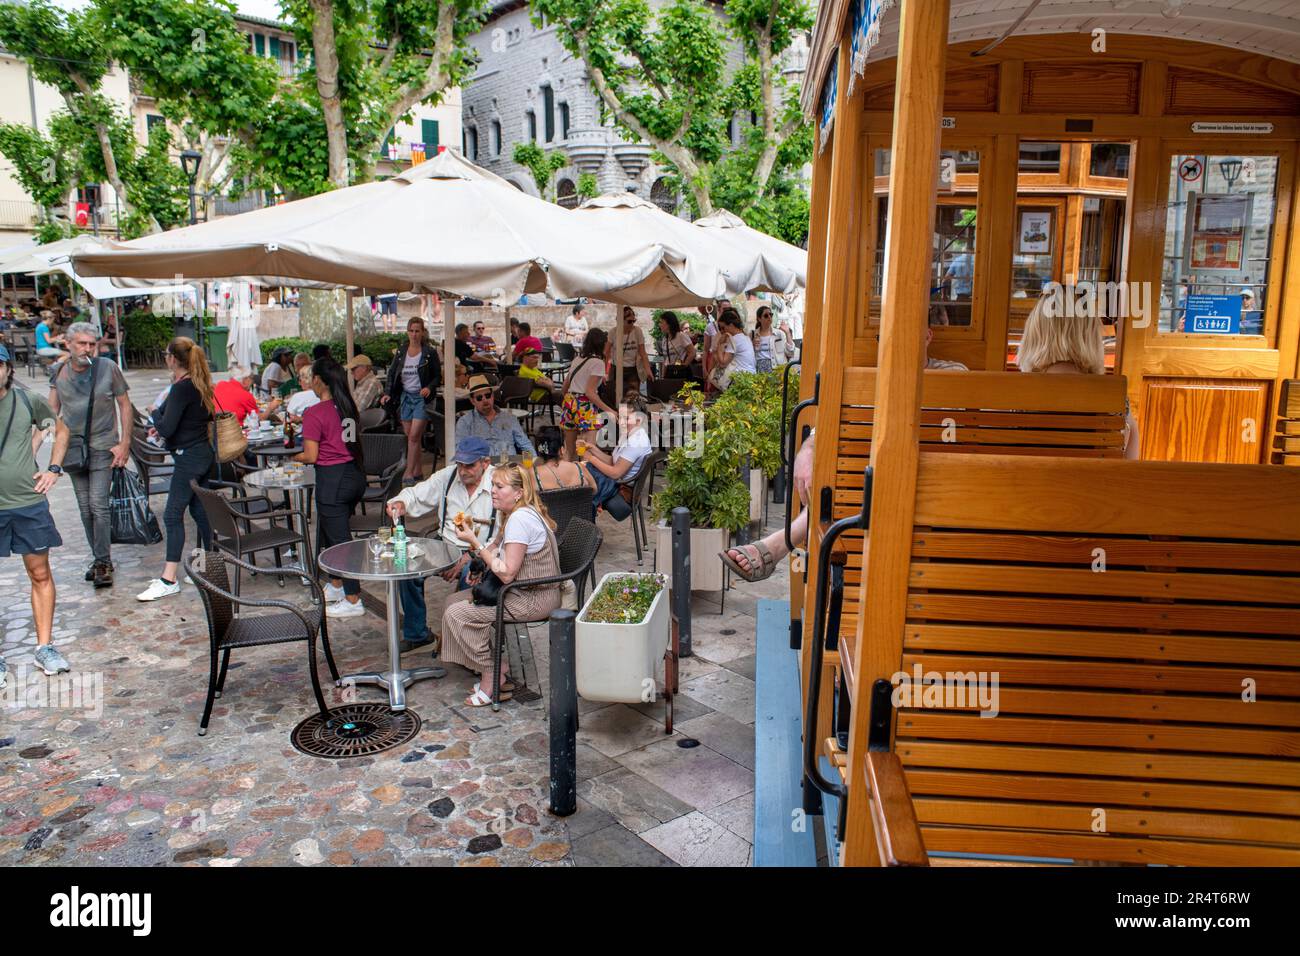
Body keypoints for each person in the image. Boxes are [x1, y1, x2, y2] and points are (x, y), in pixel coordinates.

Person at [721, 314, 969, 582]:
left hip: (937, 486)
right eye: (885, 337)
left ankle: (781, 543)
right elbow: (833, 422)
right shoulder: (870, 383)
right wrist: (807, 449)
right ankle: (784, 542)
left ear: (928, 336)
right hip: (876, 488)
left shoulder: (952, 374)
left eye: (906, 334)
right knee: (847, 473)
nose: (895, 344)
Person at [441, 464, 562, 707]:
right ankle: (492, 664)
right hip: (521, 590)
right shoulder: (514, 513)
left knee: (457, 614)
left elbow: (506, 575)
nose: (492, 491)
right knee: (450, 602)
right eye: (493, 485)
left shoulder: (520, 519)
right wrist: (479, 564)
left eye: (499, 486)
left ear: (518, 492)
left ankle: (492, 671)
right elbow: (496, 546)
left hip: (533, 598)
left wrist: (473, 541)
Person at [0, 343, 72, 683]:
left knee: (40, 573)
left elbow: (59, 429)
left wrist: (53, 469)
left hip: (28, 503)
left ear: (7, 368)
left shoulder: (27, 401)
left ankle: (45, 647)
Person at [387, 437, 496, 653]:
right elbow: (416, 494)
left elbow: (503, 534)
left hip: (481, 551)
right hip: (445, 544)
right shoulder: (448, 476)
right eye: (460, 464)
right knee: (406, 568)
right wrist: (400, 503)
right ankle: (416, 634)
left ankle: (464, 642)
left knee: (470, 576)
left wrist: (470, 557)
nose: (463, 471)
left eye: (470, 465)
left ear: (485, 463)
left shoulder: (498, 483)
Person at [47, 322, 132, 589]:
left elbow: (125, 404)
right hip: (73, 451)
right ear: (68, 345)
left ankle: (103, 561)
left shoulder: (108, 368)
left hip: (103, 446)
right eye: (82, 343)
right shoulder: (58, 371)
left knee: (98, 505)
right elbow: (51, 412)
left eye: (92, 343)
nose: (88, 348)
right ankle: (99, 559)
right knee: (85, 509)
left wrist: (125, 442)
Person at [137, 337, 215, 602]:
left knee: (173, 515)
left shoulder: (182, 388)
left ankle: (169, 579)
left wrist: (153, 412)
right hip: (202, 454)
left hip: (189, 457)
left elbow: (167, 428)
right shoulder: (198, 384)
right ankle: (208, 569)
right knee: (200, 512)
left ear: (172, 358)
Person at [1017, 292, 1139, 458]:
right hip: (1092, 483)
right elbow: (1130, 463)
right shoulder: (1114, 399)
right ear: (1090, 337)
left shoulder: (1015, 393)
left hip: (1024, 482)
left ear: (1034, 335)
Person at [295, 359, 369, 618]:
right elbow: (346, 442)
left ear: (317, 380)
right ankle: (336, 584)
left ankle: (353, 598)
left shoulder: (314, 413)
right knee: (330, 532)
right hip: (354, 476)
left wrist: (295, 457)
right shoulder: (346, 407)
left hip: (333, 480)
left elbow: (311, 455)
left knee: (340, 541)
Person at [381, 317, 441, 485]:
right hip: (405, 397)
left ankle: (408, 472)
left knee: (414, 437)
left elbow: (437, 376)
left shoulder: (429, 352)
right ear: (407, 332)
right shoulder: (401, 352)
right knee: (411, 437)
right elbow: (392, 374)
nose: (414, 334)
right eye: (411, 331)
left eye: (417, 331)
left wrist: (429, 387)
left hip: (422, 398)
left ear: (422, 332)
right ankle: (418, 471)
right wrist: (388, 393)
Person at [579, 396, 652, 519]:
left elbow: (615, 473)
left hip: (621, 490)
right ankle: (583, 523)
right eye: (620, 417)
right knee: (580, 474)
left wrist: (591, 459)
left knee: (578, 478)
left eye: (627, 418)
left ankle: (582, 525)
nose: (621, 422)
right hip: (617, 483)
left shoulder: (636, 442)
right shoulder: (630, 433)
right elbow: (613, 461)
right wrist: (592, 448)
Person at [560, 327, 615, 460]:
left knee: (569, 451)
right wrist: (610, 411)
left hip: (569, 402)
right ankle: (584, 479)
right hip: (585, 405)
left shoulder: (577, 359)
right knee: (588, 451)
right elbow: (590, 393)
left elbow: (564, 387)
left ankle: (567, 479)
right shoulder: (598, 363)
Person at [457, 375, 535, 458]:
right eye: (479, 398)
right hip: (482, 468)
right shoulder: (465, 422)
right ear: (472, 401)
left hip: (509, 466)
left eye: (488, 395)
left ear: (493, 396)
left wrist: (533, 463)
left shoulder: (510, 418)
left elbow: (525, 444)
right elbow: (460, 451)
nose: (485, 400)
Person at [531, 425, 595, 492]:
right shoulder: (579, 468)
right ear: (562, 449)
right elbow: (594, 490)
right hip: (580, 502)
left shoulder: (533, 473)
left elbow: (529, 497)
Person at [215, 365, 282, 424]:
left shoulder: (220, 384)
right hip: (234, 432)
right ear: (244, 380)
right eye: (251, 378)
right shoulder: (245, 395)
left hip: (216, 430)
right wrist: (270, 408)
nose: (252, 381)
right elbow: (259, 419)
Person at [612, 306, 652, 396]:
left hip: (633, 369)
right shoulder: (613, 332)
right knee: (619, 396)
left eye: (634, 321)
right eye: (630, 321)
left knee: (634, 396)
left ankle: (634, 410)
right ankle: (622, 410)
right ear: (621, 320)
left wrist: (648, 369)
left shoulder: (637, 331)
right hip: (618, 369)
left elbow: (643, 353)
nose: (632, 324)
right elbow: (607, 354)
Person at [712, 309, 756, 388]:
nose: (722, 331)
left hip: (740, 379)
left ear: (731, 325)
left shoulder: (735, 339)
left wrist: (719, 345)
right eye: (720, 328)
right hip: (749, 376)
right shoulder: (745, 337)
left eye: (723, 327)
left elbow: (723, 362)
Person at [658, 311, 696, 376]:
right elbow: (666, 360)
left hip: (681, 373)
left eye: (661, 322)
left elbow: (692, 353)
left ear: (669, 324)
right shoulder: (665, 339)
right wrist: (663, 376)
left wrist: (684, 365)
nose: (659, 324)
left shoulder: (681, 336)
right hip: (669, 372)